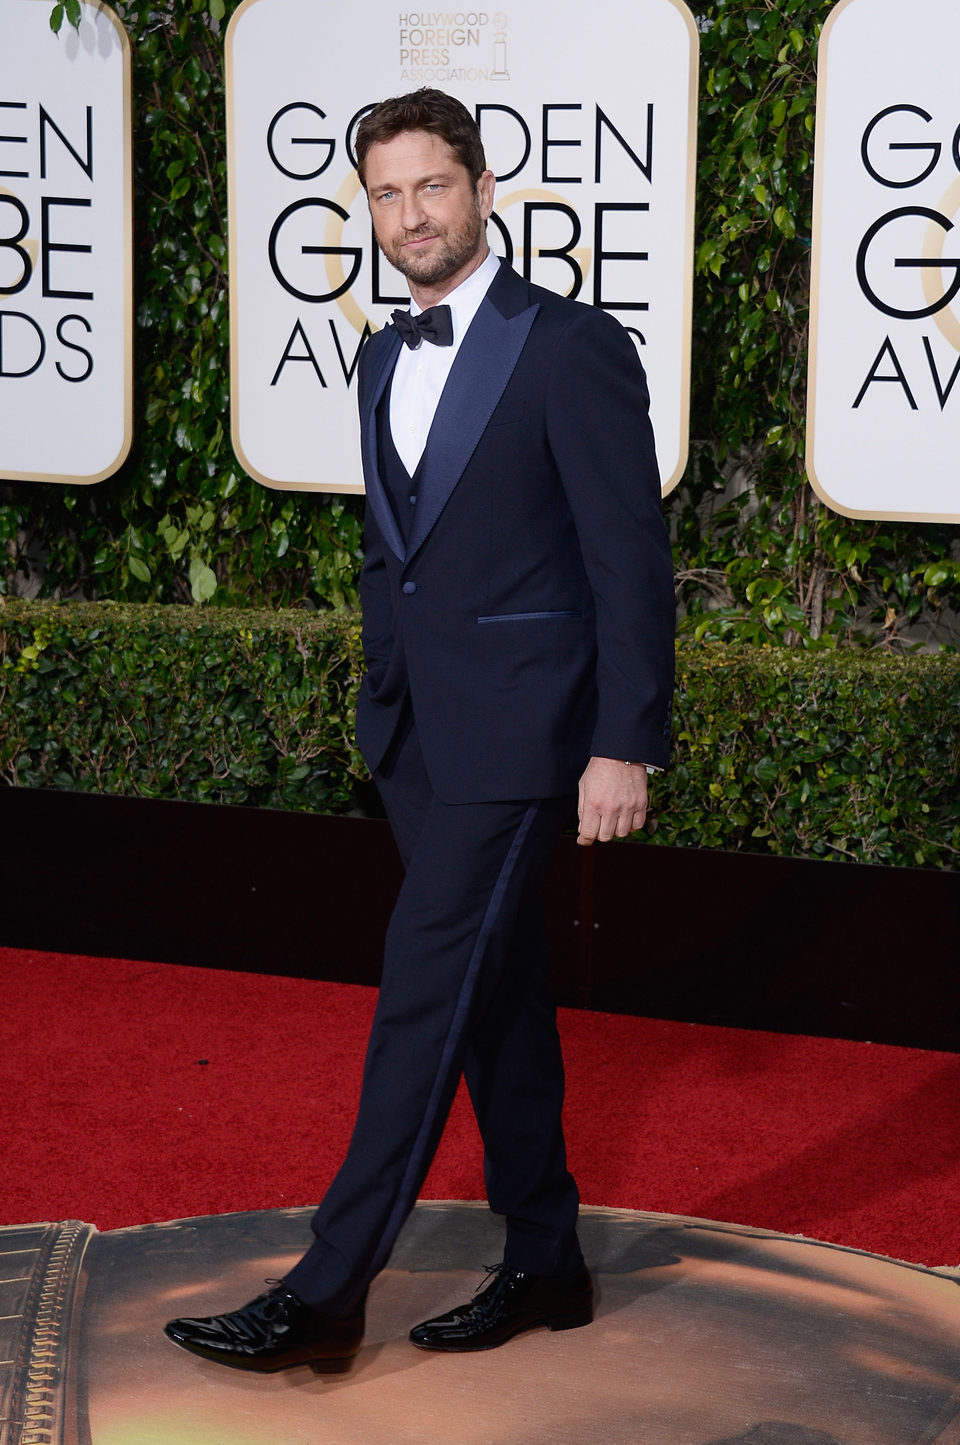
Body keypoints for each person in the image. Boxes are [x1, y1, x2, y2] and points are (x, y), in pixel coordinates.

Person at [165, 87, 675, 1375]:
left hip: (523, 738)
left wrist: (628, 741)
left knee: (422, 990)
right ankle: (548, 1259)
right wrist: (379, 699)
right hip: (413, 736)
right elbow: (402, 554)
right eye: (385, 194)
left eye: (429, 187)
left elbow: (630, 560)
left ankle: (329, 1288)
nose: (408, 217)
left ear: (485, 188)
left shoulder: (571, 346)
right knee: (497, 998)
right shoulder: (381, 353)